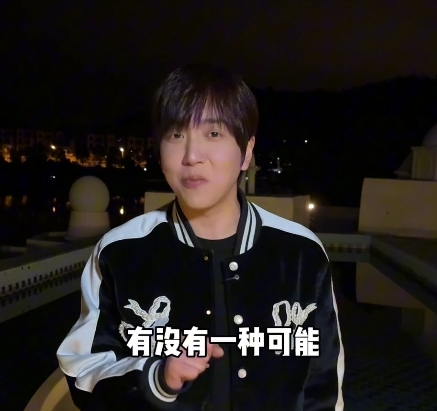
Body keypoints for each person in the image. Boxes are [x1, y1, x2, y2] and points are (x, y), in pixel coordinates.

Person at [57, 63, 344, 411]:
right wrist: (155, 378)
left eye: (214, 133)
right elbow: (82, 370)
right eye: (176, 135)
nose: (192, 157)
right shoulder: (119, 252)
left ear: (247, 152)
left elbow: (323, 384)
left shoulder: (301, 253)